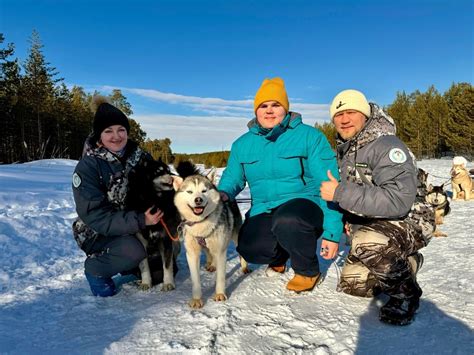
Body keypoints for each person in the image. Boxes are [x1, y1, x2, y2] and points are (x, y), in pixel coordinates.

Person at [320, 89, 435, 325]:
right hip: (377, 222)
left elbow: (398, 200)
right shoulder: (347, 150)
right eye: (338, 115)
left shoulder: (386, 145)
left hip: (412, 219)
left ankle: (406, 294)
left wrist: (340, 193)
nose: (344, 119)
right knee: (354, 284)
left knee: (368, 242)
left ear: (365, 115)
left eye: (351, 112)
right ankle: (409, 262)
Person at [218, 78, 343, 293]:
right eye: (263, 106)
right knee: (250, 248)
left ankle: (307, 271)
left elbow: (329, 183)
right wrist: (222, 193)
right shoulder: (242, 144)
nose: (269, 111)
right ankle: (279, 255)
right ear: (256, 111)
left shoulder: (308, 137)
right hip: (265, 208)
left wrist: (332, 233)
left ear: (286, 108)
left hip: (303, 206)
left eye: (276, 105)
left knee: (288, 220)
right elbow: (232, 178)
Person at [72, 96, 164, 297]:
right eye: (108, 131)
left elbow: (159, 180)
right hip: (97, 231)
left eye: (121, 130)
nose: (116, 136)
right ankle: (96, 269)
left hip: (133, 224)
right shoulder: (88, 166)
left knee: (162, 270)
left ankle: (129, 265)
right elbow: (95, 215)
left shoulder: (139, 156)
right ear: (99, 135)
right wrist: (141, 220)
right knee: (134, 252)